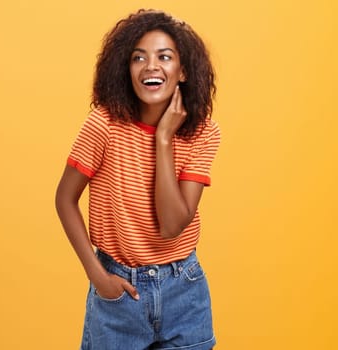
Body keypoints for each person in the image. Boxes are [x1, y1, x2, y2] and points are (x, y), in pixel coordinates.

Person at [54, 9, 221, 350]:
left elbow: (172, 225)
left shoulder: (203, 134)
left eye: (164, 57)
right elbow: (64, 200)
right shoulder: (104, 125)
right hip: (119, 291)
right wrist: (97, 277)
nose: (150, 66)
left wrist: (163, 140)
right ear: (125, 69)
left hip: (184, 290)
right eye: (138, 58)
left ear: (183, 70)